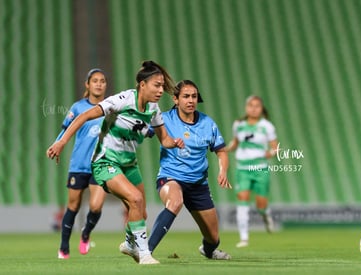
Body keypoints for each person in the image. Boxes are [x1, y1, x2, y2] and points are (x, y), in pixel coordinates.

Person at [47, 60, 184, 265]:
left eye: (162, 85)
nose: (160, 89)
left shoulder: (153, 108)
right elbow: (84, 115)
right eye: (157, 84)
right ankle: (144, 254)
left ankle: (129, 244)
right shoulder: (122, 100)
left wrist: (175, 143)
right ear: (142, 84)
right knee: (135, 199)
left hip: (129, 164)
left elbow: (163, 139)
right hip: (105, 162)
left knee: (141, 212)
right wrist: (62, 142)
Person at [148, 80, 232, 260]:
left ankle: (208, 250)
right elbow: (140, 131)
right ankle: (145, 251)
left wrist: (223, 171)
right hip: (171, 177)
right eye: (186, 96)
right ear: (176, 99)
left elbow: (221, 152)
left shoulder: (207, 123)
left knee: (213, 238)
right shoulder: (163, 119)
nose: (191, 100)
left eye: (194, 96)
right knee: (175, 201)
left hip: (198, 184)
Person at [54, 68, 108, 259]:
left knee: (96, 206)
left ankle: (86, 233)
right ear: (87, 84)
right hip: (79, 164)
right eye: (95, 80)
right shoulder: (77, 107)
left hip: (100, 165)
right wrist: (56, 144)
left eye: (102, 80)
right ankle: (64, 247)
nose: (99, 84)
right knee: (73, 206)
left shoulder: (111, 108)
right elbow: (64, 130)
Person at [225, 95, 279, 248]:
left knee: (260, 204)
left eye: (257, 106)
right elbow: (235, 143)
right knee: (242, 198)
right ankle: (244, 238)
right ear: (246, 107)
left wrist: (271, 153)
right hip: (242, 168)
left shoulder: (267, 126)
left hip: (260, 168)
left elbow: (275, 147)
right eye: (251, 105)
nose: (254, 108)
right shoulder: (238, 124)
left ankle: (266, 214)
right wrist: (226, 148)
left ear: (261, 109)